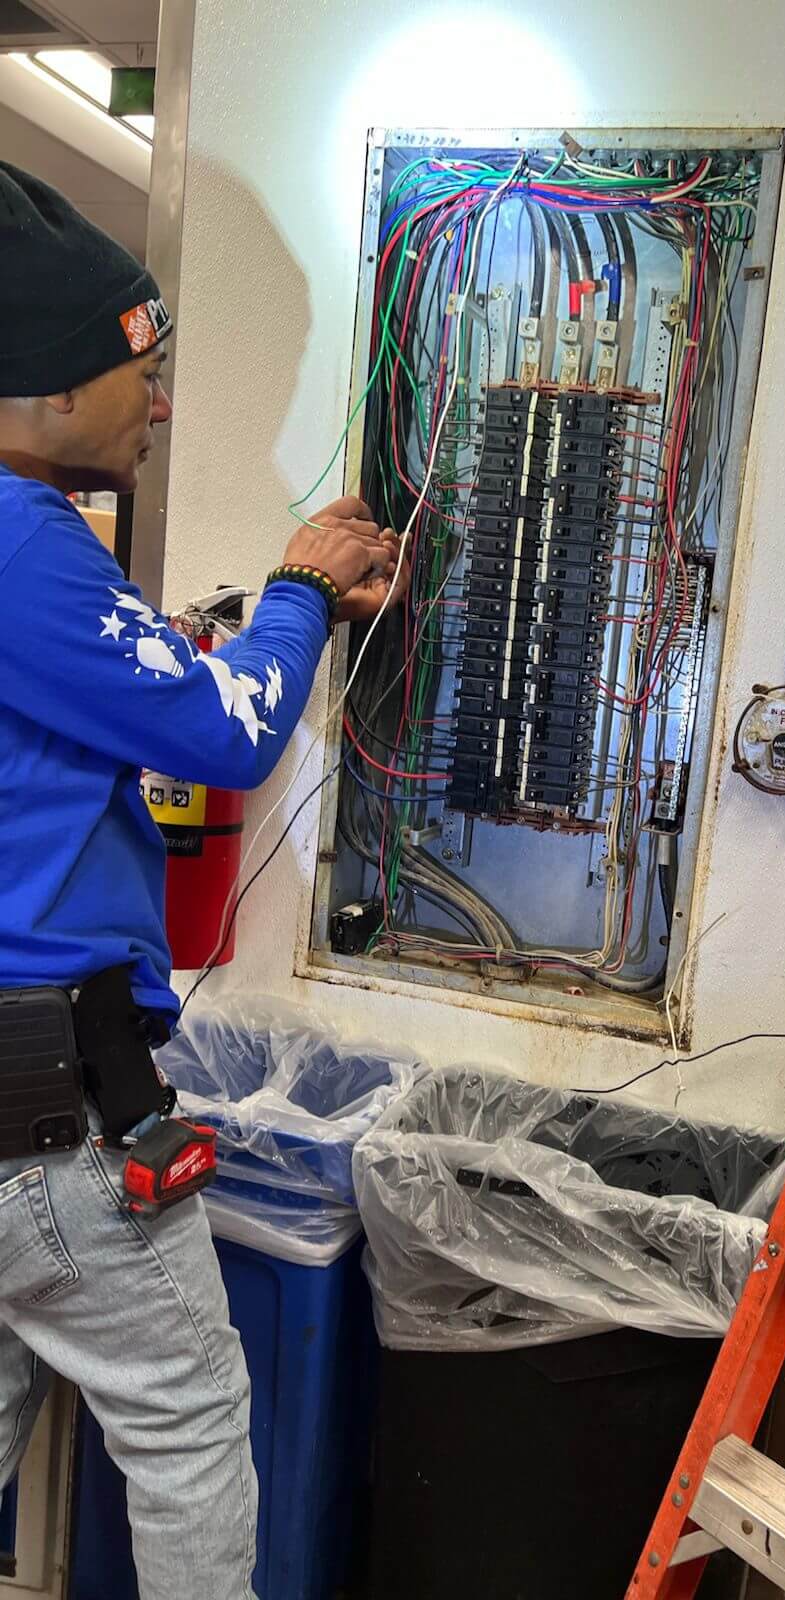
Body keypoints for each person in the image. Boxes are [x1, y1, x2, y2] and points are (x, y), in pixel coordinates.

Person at [0, 162, 406, 1599]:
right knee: (183, 1428)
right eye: (142, 369)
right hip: (47, 1116)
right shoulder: (23, 541)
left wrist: (178, 646)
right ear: (47, 386)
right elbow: (222, 737)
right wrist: (302, 593)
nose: (161, 404)